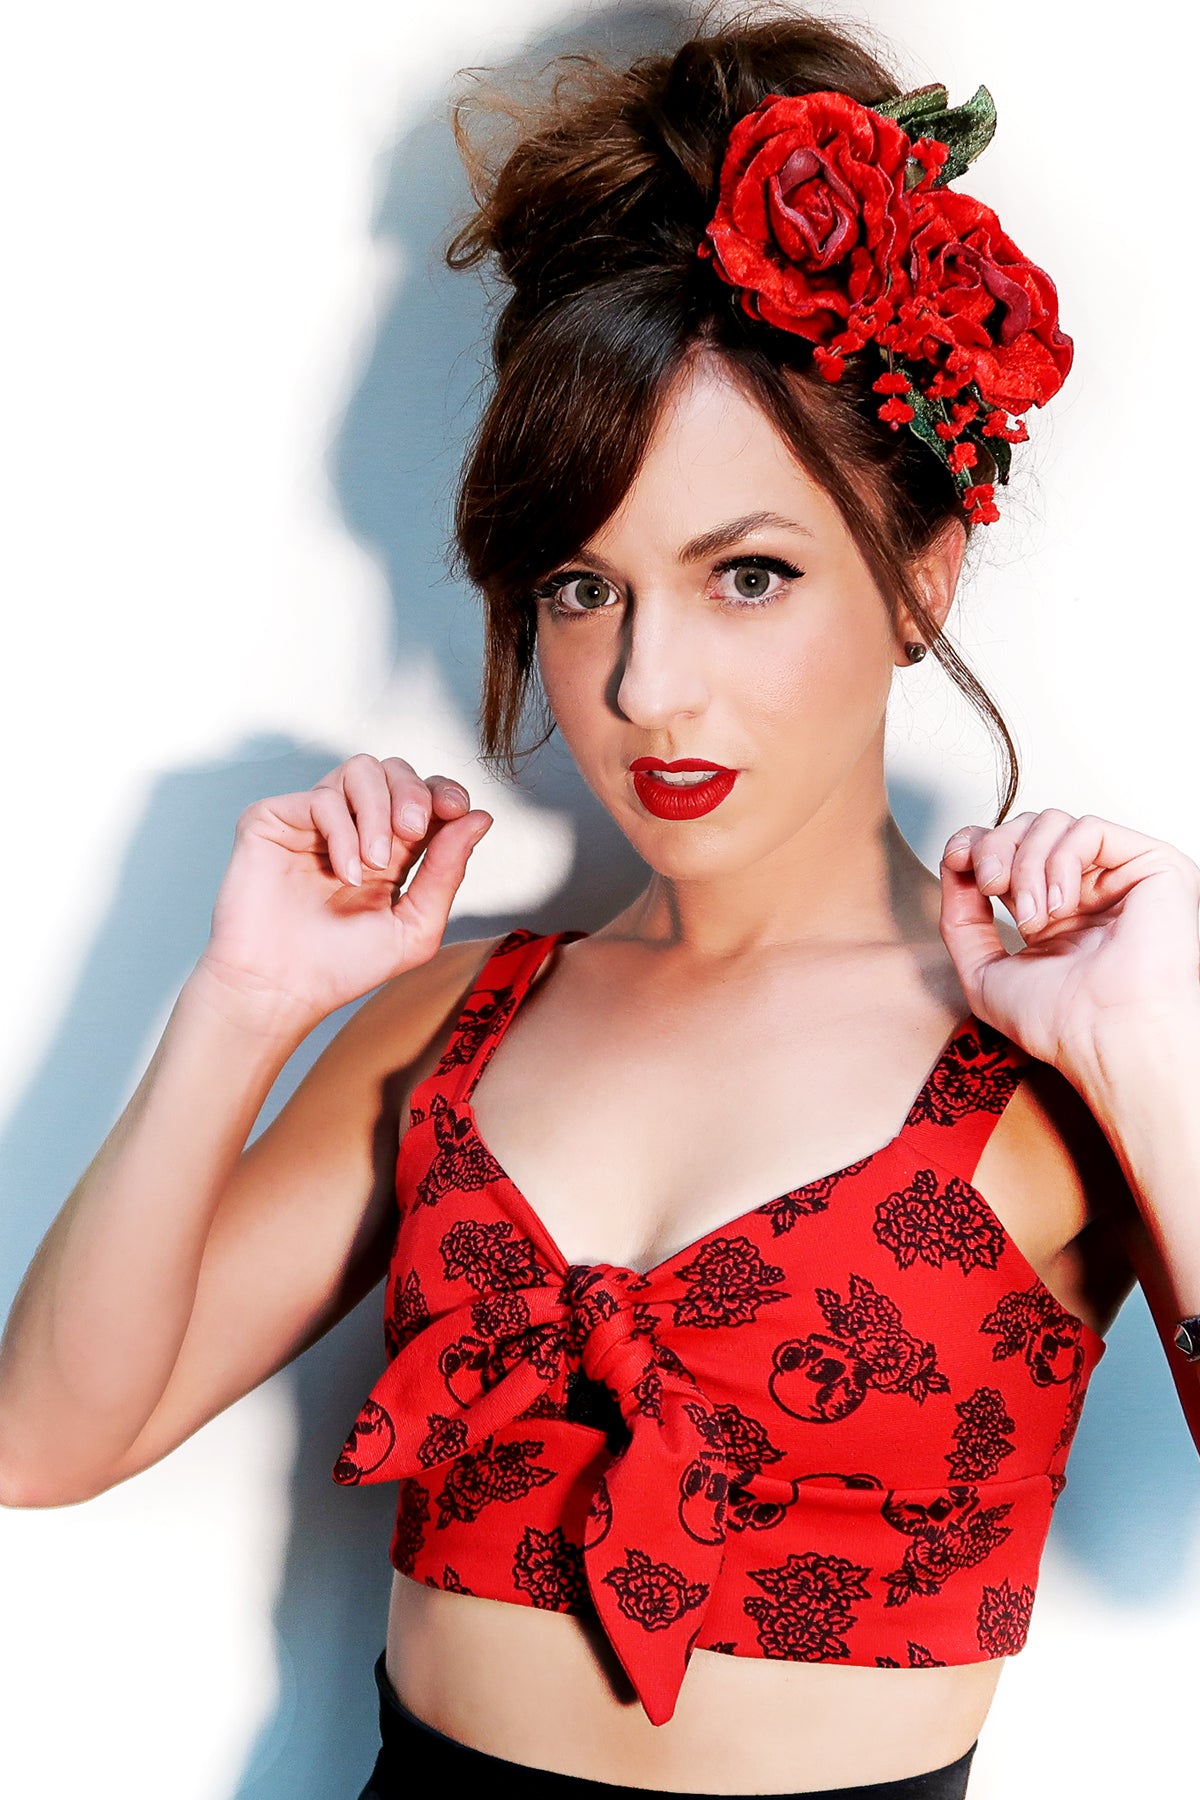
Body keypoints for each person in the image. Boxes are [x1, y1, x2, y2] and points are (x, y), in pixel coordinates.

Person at [3, 10, 1200, 1798]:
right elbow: (42, 1444)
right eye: (583, 587)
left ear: (922, 574)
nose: (645, 688)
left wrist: (1155, 1052)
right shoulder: (455, 1020)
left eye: (748, 575)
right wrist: (242, 1003)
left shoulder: (1063, 1041)